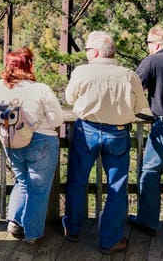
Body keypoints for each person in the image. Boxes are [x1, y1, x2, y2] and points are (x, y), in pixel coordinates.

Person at [63, 31, 151, 255]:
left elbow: (70, 99)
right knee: (116, 188)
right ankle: (109, 240)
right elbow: (140, 105)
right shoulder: (128, 75)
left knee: (77, 180)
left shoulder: (83, 71)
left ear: (94, 51)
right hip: (118, 133)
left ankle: (72, 229)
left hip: (86, 130)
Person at [0, 47, 64, 245]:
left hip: (11, 139)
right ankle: (32, 234)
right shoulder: (40, 89)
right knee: (38, 189)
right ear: (28, 65)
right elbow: (57, 119)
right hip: (41, 141)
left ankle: (14, 222)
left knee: (22, 181)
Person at [128, 26, 163, 238]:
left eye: (148, 44)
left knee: (150, 173)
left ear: (156, 44)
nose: (148, 48)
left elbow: (132, 89)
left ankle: (147, 221)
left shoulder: (152, 61)